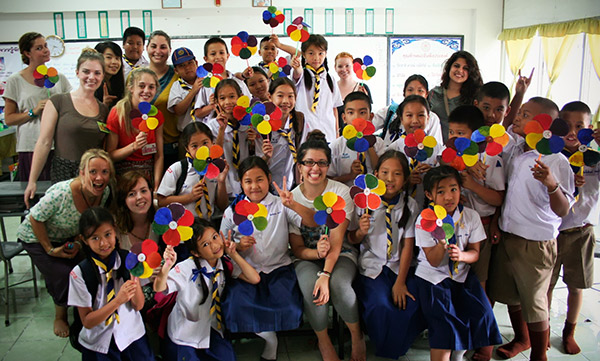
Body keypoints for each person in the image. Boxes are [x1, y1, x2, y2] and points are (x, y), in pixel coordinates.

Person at [488, 97, 575, 361]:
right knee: (511, 293)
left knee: (534, 303)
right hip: (508, 234)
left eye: (525, 114)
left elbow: (563, 209)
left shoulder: (557, 161)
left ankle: (539, 353)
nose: (517, 117)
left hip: (535, 244)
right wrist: (496, 222)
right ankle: (522, 338)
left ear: (543, 125)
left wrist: (551, 184)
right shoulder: (516, 148)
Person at [220, 157, 313, 361]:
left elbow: (312, 221)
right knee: (234, 306)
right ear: (241, 183)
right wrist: (237, 246)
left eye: (260, 179)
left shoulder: (281, 205)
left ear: (269, 179)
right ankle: (271, 340)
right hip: (245, 271)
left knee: (289, 307)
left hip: (278, 269)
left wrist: (293, 204)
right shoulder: (232, 211)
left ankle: (271, 337)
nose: (254, 186)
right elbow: (221, 246)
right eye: (248, 181)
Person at [17, 149, 114, 338]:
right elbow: (35, 218)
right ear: (82, 172)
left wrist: (78, 243)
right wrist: (50, 249)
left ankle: (90, 310)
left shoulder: (104, 192)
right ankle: (60, 315)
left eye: (105, 172)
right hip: (37, 237)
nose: (100, 177)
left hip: (69, 238)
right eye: (93, 171)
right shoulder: (61, 193)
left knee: (88, 267)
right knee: (63, 274)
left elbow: (90, 224)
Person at [289, 135, 366, 361]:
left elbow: (338, 240)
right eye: (309, 162)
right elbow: (297, 249)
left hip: (340, 252)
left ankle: (356, 336)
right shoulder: (291, 198)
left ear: (328, 165)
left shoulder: (340, 192)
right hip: (307, 257)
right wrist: (316, 255)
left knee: (339, 284)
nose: (315, 168)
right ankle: (324, 341)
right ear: (300, 167)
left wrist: (325, 273)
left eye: (322, 163)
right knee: (312, 288)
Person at [415, 165, 501, 361]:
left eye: (453, 189)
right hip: (433, 278)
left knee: (482, 313)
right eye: (441, 192)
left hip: (461, 275)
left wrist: (462, 256)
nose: (449, 197)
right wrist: (442, 243)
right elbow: (435, 261)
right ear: (429, 195)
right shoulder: (425, 220)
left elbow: (475, 253)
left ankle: (459, 355)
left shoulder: (470, 216)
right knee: (445, 326)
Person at [349, 150, 425, 359]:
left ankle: (397, 345)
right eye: (384, 172)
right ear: (376, 174)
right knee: (380, 306)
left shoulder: (410, 205)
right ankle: (388, 349)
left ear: (406, 178)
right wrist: (359, 232)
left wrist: (400, 282)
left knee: (409, 304)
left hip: (400, 267)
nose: (390, 179)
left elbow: (408, 246)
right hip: (373, 268)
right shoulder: (363, 203)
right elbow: (351, 239)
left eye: (397, 174)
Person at [154, 218, 260, 361]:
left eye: (215, 237)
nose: (215, 245)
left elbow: (254, 278)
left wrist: (233, 253)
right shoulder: (186, 267)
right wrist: (166, 267)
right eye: (205, 244)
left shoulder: (224, 263)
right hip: (185, 334)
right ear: (195, 253)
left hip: (212, 328)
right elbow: (159, 288)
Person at [24, 48, 109, 206]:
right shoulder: (58, 101)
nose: (91, 77)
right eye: (86, 71)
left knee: (91, 223)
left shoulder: (103, 109)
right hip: (63, 173)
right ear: (77, 72)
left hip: (93, 178)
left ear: (103, 76)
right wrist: (32, 181)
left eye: (97, 73)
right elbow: (44, 142)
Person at [547, 101, 599, 355]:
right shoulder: (553, 156)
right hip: (552, 233)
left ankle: (569, 330)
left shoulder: (594, 157)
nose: (572, 131)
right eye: (566, 125)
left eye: (580, 126)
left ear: (590, 128)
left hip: (581, 231)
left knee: (576, 286)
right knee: (545, 285)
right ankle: (542, 330)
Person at [69, 207, 155, 360]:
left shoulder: (129, 259)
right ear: (84, 240)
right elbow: (87, 321)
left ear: (115, 232)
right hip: (99, 343)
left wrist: (133, 279)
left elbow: (138, 305)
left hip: (133, 337)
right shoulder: (80, 273)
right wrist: (118, 301)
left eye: (108, 235)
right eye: (95, 238)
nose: (103, 243)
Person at [446, 106, 505, 290]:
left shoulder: (491, 159)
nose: (454, 138)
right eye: (451, 132)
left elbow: (498, 199)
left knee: (479, 281)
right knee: (452, 278)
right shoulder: (450, 156)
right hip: (453, 226)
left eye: (460, 133)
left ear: (476, 135)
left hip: (482, 227)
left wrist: (473, 186)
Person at [3, 32, 71, 182]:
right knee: (37, 190)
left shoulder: (58, 77)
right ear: (27, 53)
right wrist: (33, 111)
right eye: (39, 48)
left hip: (58, 144)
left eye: (46, 46)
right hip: (31, 146)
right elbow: (9, 119)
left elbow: (70, 106)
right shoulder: (15, 80)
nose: (46, 50)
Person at [106, 67, 164, 189]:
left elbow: (159, 156)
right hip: (124, 174)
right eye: (141, 86)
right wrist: (134, 146)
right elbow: (110, 155)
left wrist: (156, 186)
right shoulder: (117, 113)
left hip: (148, 173)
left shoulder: (156, 115)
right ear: (131, 88)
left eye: (151, 87)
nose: (146, 91)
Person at [157, 122, 229, 218]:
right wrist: (189, 197)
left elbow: (223, 206)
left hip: (208, 225)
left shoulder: (216, 168)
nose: (200, 149)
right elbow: (161, 201)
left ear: (212, 142)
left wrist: (221, 182)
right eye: (194, 146)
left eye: (205, 143)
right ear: (187, 148)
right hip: (184, 226)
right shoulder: (178, 168)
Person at [388, 95, 442, 208]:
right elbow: (386, 183)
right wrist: (407, 180)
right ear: (401, 119)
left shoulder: (438, 149)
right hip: (401, 209)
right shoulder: (394, 149)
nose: (415, 120)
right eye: (409, 115)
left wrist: (433, 174)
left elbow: (444, 180)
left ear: (428, 118)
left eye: (421, 115)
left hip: (430, 208)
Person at [206, 79, 257, 196]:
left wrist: (253, 142)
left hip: (248, 182)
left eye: (232, 96)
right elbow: (214, 156)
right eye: (222, 98)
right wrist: (221, 131)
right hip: (225, 182)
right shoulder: (212, 126)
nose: (228, 102)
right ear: (216, 101)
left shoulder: (249, 123)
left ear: (241, 97)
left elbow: (256, 154)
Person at [291, 34, 342, 143]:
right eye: (311, 53)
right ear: (304, 54)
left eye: (320, 53)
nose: (316, 58)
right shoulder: (302, 75)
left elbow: (334, 108)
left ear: (326, 54)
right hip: (306, 129)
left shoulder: (330, 79)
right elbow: (297, 73)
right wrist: (297, 67)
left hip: (328, 130)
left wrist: (337, 131)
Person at [327, 91, 385, 186]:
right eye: (351, 113)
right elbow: (329, 180)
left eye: (362, 112)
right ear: (344, 118)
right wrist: (350, 175)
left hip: (373, 196)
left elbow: (382, 172)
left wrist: (369, 145)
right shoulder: (336, 146)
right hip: (346, 196)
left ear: (370, 117)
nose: (356, 117)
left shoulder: (378, 143)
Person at [259, 77, 304, 190]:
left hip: (293, 185)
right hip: (266, 187)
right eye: (280, 96)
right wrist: (265, 156)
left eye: (290, 96)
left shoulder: (299, 120)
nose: (285, 101)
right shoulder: (262, 124)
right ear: (270, 97)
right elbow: (254, 162)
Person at [193, 37, 251, 122]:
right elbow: (198, 113)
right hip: (214, 131)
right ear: (206, 59)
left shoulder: (238, 82)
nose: (218, 57)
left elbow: (248, 105)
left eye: (221, 53)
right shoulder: (205, 84)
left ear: (227, 56)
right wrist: (211, 106)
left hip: (238, 129)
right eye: (213, 54)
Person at [429, 51, 483, 142]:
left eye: (465, 68)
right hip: (436, 148)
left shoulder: (475, 97)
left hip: (464, 149)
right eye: (456, 66)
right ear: (449, 67)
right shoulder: (434, 94)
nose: (460, 71)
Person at [376, 74, 442, 145]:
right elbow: (367, 125)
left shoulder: (432, 118)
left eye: (420, 90)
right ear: (404, 93)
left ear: (426, 94)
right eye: (410, 90)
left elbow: (435, 148)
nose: (415, 94)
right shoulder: (391, 111)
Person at [146, 30, 180, 169]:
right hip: (142, 143)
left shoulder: (178, 74)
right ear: (146, 48)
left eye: (163, 47)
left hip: (171, 145)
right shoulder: (136, 75)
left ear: (170, 50)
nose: (157, 51)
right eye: (153, 46)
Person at [114, 170, 158, 251]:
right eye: (132, 194)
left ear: (151, 191)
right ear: (123, 199)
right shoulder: (114, 225)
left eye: (143, 191)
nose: (139, 197)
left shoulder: (162, 213)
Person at [334, 52, 372, 135]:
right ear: (335, 68)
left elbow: (368, 114)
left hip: (358, 135)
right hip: (336, 136)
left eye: (347, 66)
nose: (344, 69)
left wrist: (364, 98)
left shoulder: (362, 87)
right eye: (340, 66)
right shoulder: (331, 89)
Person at [168, 47, 201, 133]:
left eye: (190, 63)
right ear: (176, 70)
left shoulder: (206, 81)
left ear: (196, 63)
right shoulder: (176, 86)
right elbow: (178, 111)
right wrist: (193, 91)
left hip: (208, 130)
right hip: (186, 132)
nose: (187, 67)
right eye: (181, 65)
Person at [94, 41, 125, 108]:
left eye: (117, 58)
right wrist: (104, 105)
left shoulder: (116, 83)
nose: (114, 62)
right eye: (109, 57)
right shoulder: (93, 84)